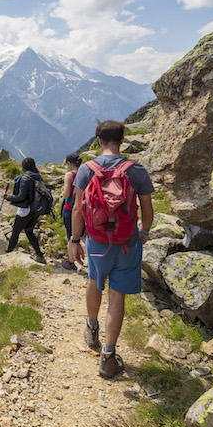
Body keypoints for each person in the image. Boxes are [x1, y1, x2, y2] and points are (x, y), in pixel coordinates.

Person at [69, 120, 154, 379]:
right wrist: (143, 233)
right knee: (117, 297)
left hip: (96, 242)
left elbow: (76, 209)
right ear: (123, 141)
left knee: (95, 281)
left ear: (98, 141)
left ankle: (91, 328)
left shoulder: (86, 169)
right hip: (127, 242)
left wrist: (74, 240)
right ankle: (108, 357)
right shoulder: (137, 170)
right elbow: (148, 210)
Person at [3, 157, 46, 264]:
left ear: (24, 168)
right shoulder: (38, 176)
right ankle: (39, 254)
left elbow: (21, 197)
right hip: (35, 209)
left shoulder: (25, 178)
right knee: (29, 231)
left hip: (24, 210)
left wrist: (8, 197)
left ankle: (8, 254)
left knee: (15, 232)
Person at [59, 152, 81, 271]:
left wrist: (63, 190)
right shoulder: (85, 172)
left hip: (70, 209)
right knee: (84, 235)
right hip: (83, 209)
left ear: (69, 163)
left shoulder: (69, 175)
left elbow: (66, 194)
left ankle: (71, 262)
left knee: (71, 236)